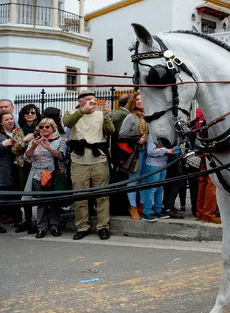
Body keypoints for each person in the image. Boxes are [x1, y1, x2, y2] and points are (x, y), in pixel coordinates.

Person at [63, 90, 115, 240]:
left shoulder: (100, 114)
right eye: (88, 100)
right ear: (80, 101)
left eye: (94, 99)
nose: (92, 102)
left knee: (102, 196)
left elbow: (111, 131)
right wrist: (82, 111)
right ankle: (82, 226)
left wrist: (107, 116)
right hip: (79, 160)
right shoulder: (72, 113)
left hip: (98, 159)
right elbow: (67, 123)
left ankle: (103, 227)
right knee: (80, 196)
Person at [24, 118, 67, 238]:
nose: (44, 129)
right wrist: (33, 146)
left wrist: (49, 148)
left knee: (54, 202)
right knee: (41, 202)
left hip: (53, 174)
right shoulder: (35, 141)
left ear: (53, 128)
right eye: (41, 127)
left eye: (47, 127)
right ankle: (41, 228)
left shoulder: (60, 141)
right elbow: (26, 157)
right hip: (38, 175)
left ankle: (55, 226)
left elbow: (61, 156)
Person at [118, 92, 148, 220]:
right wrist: (137, 139)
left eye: (142, 99)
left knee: (144, 180)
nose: (140, 101)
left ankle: (142, 205)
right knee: (133, 181)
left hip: (148, 152)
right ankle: (133, 207)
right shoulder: (130, 117)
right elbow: (122, 135)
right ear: (133, 102)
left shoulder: (148, 116)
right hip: (136, 152)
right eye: (137, 100)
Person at [13, 104, 41, 234]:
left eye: (33, 113)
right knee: (25, 192)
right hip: (23, 165)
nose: (30, 115)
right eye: (27, 113)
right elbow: (14, 149)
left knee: (40, 192)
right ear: (23, 116)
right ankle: (28, 220)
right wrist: (25, 140)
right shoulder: (17, 131)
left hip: (38, 164)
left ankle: (40, 221)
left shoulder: (42, 128)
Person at [140, 133, 172, 222]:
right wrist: (167, 151)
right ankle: (147, 212)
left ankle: (158, 210)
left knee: (159, 189)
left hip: (162, 164)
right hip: (153, 165)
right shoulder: (152, 135)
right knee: (152, 189)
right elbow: (150, 151)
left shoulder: (164, 135)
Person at [0, 111, 19, 233]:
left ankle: (17, 219)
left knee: (15, 197)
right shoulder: (2, 136)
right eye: (6, 119)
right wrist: (2, 144)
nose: (10, 121)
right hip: (3, 172)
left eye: (11, 118)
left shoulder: (17, 133)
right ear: (1, 123)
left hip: (16, 171)